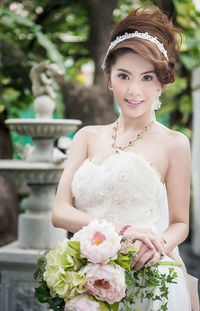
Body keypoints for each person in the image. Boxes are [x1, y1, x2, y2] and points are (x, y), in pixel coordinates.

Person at [52, 6, 199, 310]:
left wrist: (156, 246)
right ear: (108, 79)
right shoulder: (87, 137)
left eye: (147, 77)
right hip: (85, 272)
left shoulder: (175, 144)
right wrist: (121, 230)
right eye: (124, 75)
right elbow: (60, 212)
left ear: (162, 83)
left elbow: (180, 223)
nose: (134, 90)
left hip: (148, 272)